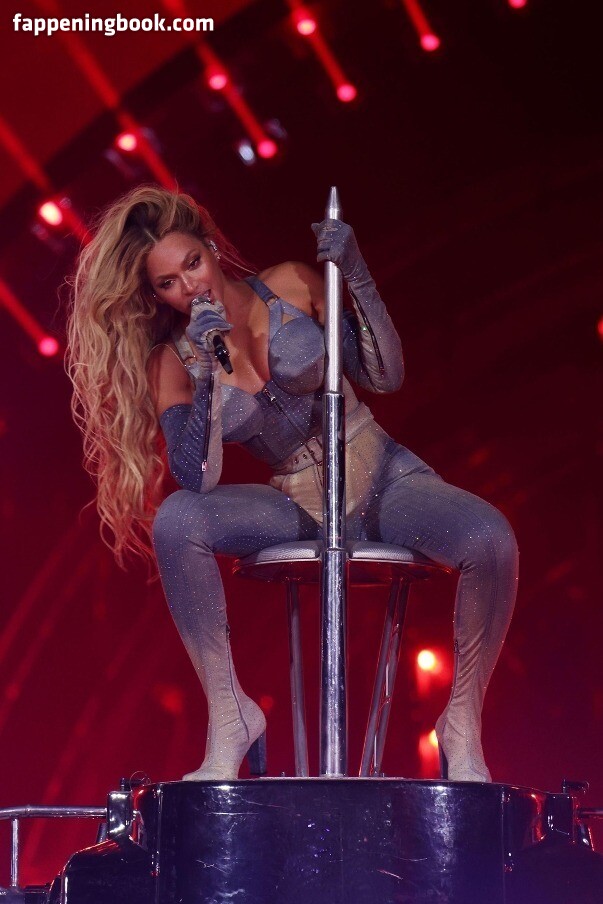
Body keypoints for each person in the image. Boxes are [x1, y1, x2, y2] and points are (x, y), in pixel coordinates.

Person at [67, 185, 518, 783]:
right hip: (295, 500)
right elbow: (197, 477)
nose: (190, 287)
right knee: (177, 519)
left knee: (490, 539)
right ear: (157, 295)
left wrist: (354, 271)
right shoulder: (171, 361)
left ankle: (461, 722)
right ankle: (230, 714)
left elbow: (386, 374)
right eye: (168, 283)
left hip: (381, 475)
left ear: (210, 248)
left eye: (192, 263)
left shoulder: (289, 284)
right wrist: (209, 376)